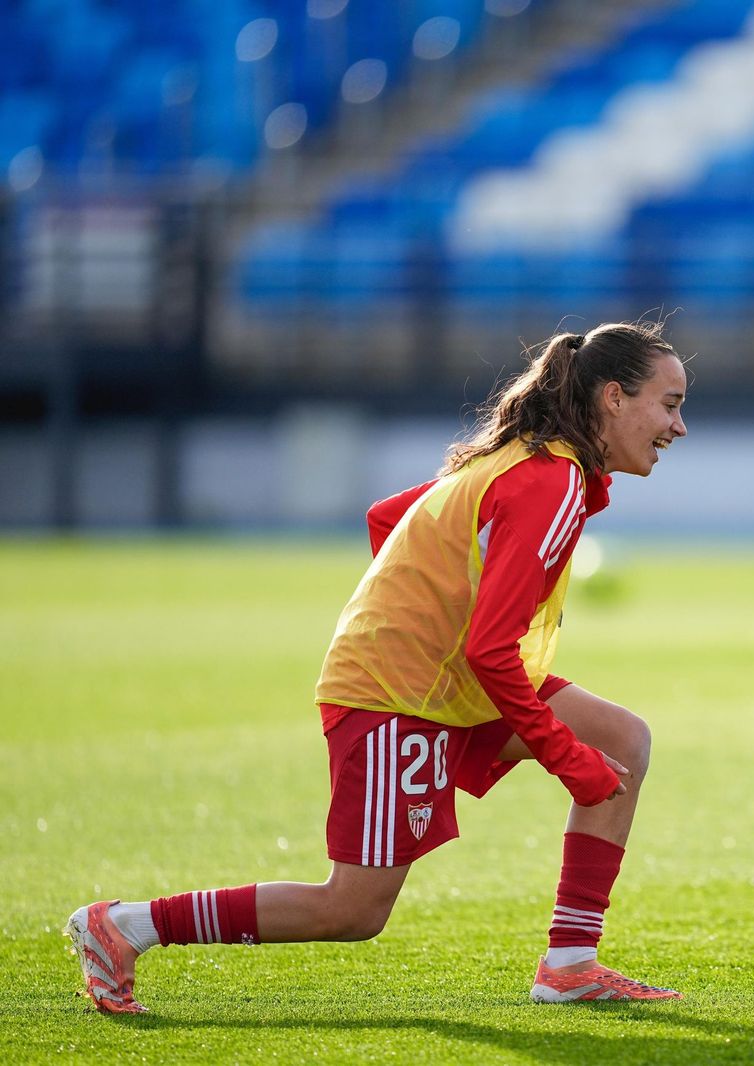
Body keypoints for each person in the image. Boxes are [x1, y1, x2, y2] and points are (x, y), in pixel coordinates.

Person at [66, 322, 691, 1012]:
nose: (679, 425)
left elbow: (389, 517)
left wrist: (425, 619)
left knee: (621, 739)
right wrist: (561, 754)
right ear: (612, 398)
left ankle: (571, 963)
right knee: (353, 909)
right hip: (400, 694)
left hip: (440, 680)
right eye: (669, 404)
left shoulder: (531, 462)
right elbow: (488, 648)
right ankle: (123, 926)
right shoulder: (548, 482)